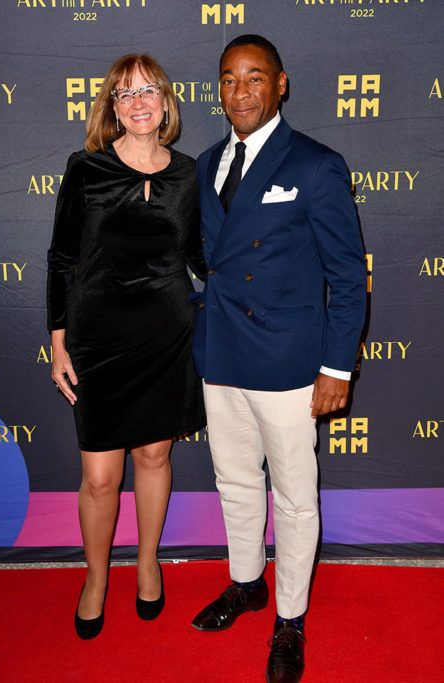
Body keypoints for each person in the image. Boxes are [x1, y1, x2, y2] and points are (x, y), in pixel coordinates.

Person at [190, 35, 366, 682]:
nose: (241, 91)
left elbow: (348, 277)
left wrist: (336, 366)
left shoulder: (317, 165)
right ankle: (247, 582)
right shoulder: (207, 161)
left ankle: (289, 617)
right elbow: (206, 259)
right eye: (229, 80)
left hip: (290, 362)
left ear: (282, 84)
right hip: (223, 354)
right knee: (235, 482)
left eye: (255, 78)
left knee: (293, 498)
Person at [47, 53, 206, 639]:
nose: (138, 102)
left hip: (166, 334)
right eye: (125, 93)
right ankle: (95, 577)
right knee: (100, 478)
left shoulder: (189, 173)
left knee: (155, 457)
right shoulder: (86, 169)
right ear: (112, 108)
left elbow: (198, 257)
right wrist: (59, 343)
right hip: (98, 339)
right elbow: (62, 260)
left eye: (149, 91)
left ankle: (146, 562)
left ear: (167, 101)